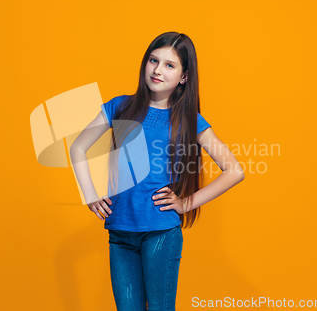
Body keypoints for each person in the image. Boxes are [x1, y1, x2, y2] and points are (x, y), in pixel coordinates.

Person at [70, 31, 245, 311]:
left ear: (184, 77)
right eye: (154, 60)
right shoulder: (119, 106)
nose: (158, 70)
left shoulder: (188, 119)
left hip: (161, 233)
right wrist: (90, 195)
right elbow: (78, 148)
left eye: (169, 65)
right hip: (120, 233)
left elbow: (234, 170)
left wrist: (186, 203)